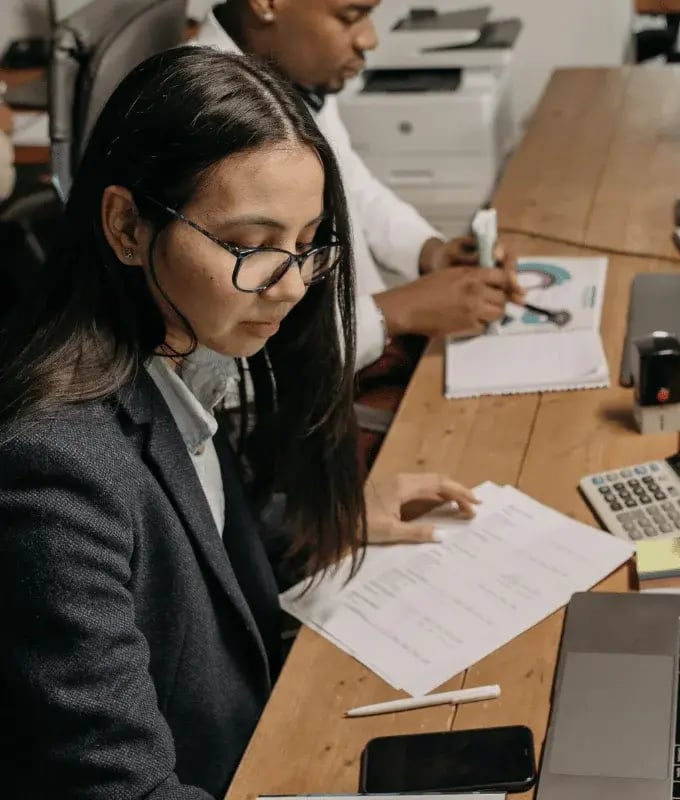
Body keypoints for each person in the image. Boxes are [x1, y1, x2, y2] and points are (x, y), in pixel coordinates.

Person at [0, 46, 477, 799]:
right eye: (252, 247)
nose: (291, 288)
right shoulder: (54, 475)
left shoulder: (182, 349)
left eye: (307, 243)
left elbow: (191, 538)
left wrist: (325, 521)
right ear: (126, 226)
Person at [194, 0, 525, 374]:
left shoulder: (289, 69)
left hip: (361, 347)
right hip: (304, 400)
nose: (369, 39)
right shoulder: (207, 116)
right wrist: (397, 313)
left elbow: (354, 187)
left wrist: (430, 252)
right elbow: (237, 365)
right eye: (350, 16)